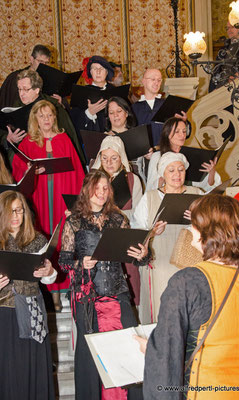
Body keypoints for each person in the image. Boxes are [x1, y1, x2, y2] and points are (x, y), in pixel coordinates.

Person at [142, 194, 239, 399]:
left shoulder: (187, 282)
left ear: (205, 233)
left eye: (194, 225)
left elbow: (166, 358)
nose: (190, 230)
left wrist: (150, 349)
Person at [59, 170, 149, 400]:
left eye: (105, 188)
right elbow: (64, 262)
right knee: (91, 356)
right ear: (87, 189)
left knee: (129, 350)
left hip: (117, 292)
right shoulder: (73, 221)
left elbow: (134, 256)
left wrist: (143, 254)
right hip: (87, 297)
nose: (101, 193)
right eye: (96, 188)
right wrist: (81, 264)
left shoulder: (119, 219)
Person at [12, 100, 85, 310]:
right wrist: (30, 173)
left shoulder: (64, 139)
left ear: (55, 117)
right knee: (44, 242)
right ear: (35, 118)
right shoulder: (28, 143)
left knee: (64, 241)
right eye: (41, 115)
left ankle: (64, 288)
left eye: (50, 115)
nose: (46, 119)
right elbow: (18, 174)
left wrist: (77, 202)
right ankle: (50, 293)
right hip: (40, 201)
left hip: (62, 200)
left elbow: (78, 173)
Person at [131, 152, 202, 323]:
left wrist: (199, 221)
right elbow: (136, 231)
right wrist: (152, 232)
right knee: (163, 310)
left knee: (190, 310)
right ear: (163, 174)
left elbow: (215, 227)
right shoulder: (149, 198)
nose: (177, 175)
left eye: (180, 170)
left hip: (191, 261)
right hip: (160, 261)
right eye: (171, 170)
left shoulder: (198, 194)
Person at [0, 190, 57, 400]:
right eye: (11, 211)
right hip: (5, 316)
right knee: (10, 373)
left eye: (20, 211)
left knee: (34, 371)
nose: (16, 216)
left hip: (34, 313)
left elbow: (50, 278)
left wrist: (49, 272)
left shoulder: (37, 240)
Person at [92, 136, 143, 305]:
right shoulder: (92, 180)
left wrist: (117, 213)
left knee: (128, 286)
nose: (109, 163)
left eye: (114, 158)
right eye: (104, 158)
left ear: (121, 158)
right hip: (100, 238)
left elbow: (139, 213)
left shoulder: (132, 179)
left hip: (124, 238)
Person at [0, 69, 85, 166]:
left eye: (26, 89)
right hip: (22, 160)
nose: (21, 94)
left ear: (36, 90)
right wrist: (9, 139)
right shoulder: (15, 106)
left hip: (50, 158)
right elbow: (3, 134)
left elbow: (68, 138)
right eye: (19, 89)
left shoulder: (52, 107)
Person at [146, 117, 221, 192]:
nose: (182, 135)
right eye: (177, 131)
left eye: (184, 131)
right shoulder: (157, 157)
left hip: (189, 198)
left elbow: (207, 187)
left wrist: (211, 172)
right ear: (167, 134)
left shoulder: (192, 155)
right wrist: (164, 178)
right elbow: (150, 188)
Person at [70, 55, 115, 134]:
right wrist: (89, 113)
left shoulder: (116, 92)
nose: (98, 71)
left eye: (101, 68)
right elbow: (74, 122)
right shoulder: (80, 92)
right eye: (94, 68)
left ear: (107, 72)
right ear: (90, 72)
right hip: (90, 139)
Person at [0, 44, 51, 109]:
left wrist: (60, 100)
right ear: (32, 59)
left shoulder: (50, 79)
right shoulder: (14, 77)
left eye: (46, 63)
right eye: (40, 61)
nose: (44, 65)